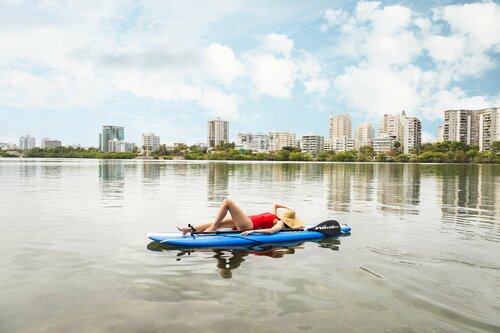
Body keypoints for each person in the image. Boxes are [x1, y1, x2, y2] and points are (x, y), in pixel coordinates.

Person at [177, 198, 304, 236]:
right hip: (244, 220)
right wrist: (287, 207)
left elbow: (271, 231)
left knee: (227, 202)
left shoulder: (280, 224)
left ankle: (213, 229)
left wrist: (252, 231)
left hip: (248, 225)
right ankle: (190, 230)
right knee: (216, 221)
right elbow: (275, 204)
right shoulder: (276, 215)